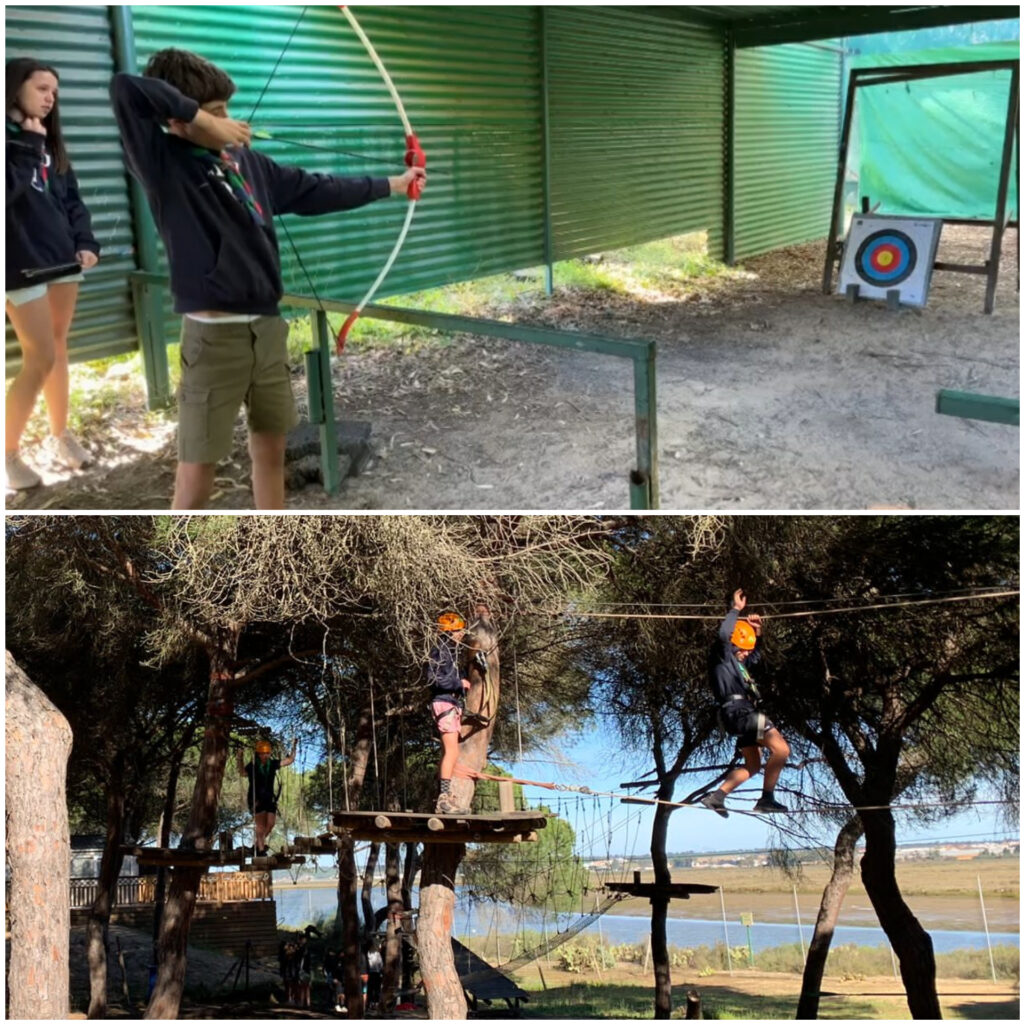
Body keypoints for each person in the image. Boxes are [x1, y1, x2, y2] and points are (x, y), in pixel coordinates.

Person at [109, 49, 426, 510]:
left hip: (267, 332)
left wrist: (394, 184)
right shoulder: (163, 163)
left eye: (227, 111)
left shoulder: (247, 163)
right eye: (215, 115)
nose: (229, 123)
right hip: (214, 340)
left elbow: (316, 189)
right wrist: (202, 119)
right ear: (176, 119)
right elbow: (124, 88)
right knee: (197, 474)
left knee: (271, 453)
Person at [6, 57, 100, 490]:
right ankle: (9, 454)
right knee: (39, 356)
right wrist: (26, 142)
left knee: (59, 350)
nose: (50, 98)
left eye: (55, 92)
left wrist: (86, 242)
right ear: (14, 87)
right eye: (42, 88)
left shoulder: (50, 141)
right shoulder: (20, 140)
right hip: (20, 266)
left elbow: (72, 199)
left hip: (63, 261)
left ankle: (60, 435)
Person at [700, 588, 790, 817]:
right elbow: (723, 635)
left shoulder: (740, 666)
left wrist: (757, 633)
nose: (746, 655)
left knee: (753, 765)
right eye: (743, 650)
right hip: (741, 714)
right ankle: (767, 799)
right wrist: (736, 610)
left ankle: (717, 797)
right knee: (781, 749)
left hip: (741, 716)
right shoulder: (722, 657)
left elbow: (756, 655)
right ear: (734, 645)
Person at [427, 612, 472, 814]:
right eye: (459, 630)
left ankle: (445, 798)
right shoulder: (440, 653)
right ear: (451, 631)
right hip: (444, 703)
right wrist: (458, 683)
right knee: (452, 751)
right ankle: (443, 799)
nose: (462, 634)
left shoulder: (450, 653)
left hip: (449, 702)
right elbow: (435, 680)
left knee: (449, 752)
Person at [237, 737, 296, 855]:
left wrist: (294, 746)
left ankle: (257, 844)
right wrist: (240, 757)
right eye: (263, 753)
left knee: (270, 824)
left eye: (267, 753)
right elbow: (242, 772)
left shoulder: (272, 764)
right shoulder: (253, 765)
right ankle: (260, 849)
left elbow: (289, 760)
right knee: (261, 826)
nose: (265, 756)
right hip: (256, 798)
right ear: (258, 754)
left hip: (269, 798)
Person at [323, 944, 346, 1014]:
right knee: (337, 992)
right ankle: (337, 1004)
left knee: (342, 993)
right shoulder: (336, 960)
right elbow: (334, 970)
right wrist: (334, 978)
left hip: (343, 979)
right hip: (337, 978)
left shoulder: (344, 961)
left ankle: (342, 1005)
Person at [365, 940, 383, 1010]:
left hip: (370, 973)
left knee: (370, 989)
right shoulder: (377, 954)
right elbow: (381, 964)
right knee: (376, 989)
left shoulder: (367, 954)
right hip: (376, 973)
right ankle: (375, 1003)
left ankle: (370, 1003)